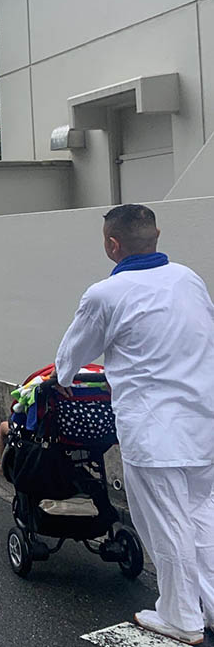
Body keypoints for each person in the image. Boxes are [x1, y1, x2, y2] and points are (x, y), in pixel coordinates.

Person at [55, 204, 214, 644]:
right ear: (157, 234)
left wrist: (62, 379)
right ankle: (210, 604)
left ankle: (181, 617)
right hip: (203, 421)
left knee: (167, 524)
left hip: (153, 428)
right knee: (203, 516)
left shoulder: (107, 294)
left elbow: (73, 351)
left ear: (112, 244)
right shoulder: (188, 279)